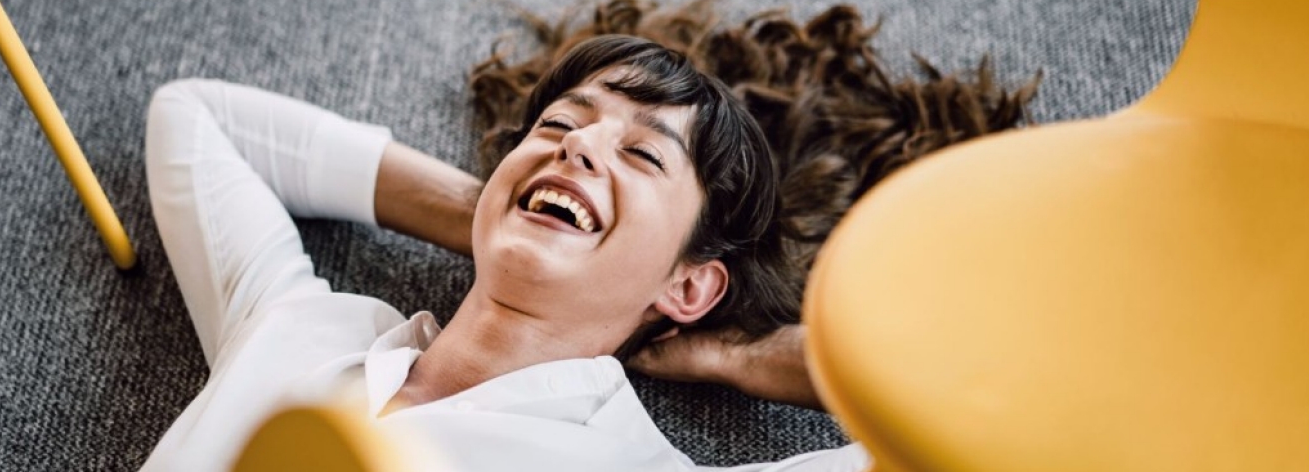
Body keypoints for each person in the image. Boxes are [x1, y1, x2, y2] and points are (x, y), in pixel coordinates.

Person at [140, 35, 873, 471]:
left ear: (690, 287)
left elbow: (973, 425)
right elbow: (198, 116)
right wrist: (504, 210)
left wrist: (746, 355)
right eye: (558, 124)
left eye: (643, 154)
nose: (578, 143)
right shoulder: (299, 326)